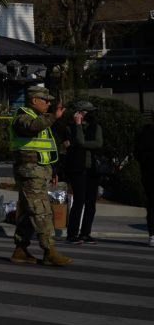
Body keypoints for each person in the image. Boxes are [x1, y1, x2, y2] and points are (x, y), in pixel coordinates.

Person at [9, 85, 70, 265]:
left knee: (30, 212)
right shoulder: (23, 117)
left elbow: (45, 148)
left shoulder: (40, 118)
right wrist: (53, 117)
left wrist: (53, 171)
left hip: (39, 171)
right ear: (34, 100)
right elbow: (31, 127)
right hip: (29, 172)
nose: (49, 104)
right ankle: (49, 251)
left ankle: (20, 250)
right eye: (46, 100)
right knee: (41, 211)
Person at [60, 99, 103, 244]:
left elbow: (97, 143)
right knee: (79, 201)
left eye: (88, 112)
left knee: (91, 203)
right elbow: (75, 142)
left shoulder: (95, 126)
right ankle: (72, 234)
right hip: (77, 168)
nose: (87, 114)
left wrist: (80, 144)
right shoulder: (70, 127)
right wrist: (78, 126)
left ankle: (85, 233)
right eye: (84, 111)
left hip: (92, 169)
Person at [135, 114, 154, 247]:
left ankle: (152, 234)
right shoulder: (146, 133)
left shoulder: (145, 133)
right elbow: (139, 153)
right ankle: (152, 234)